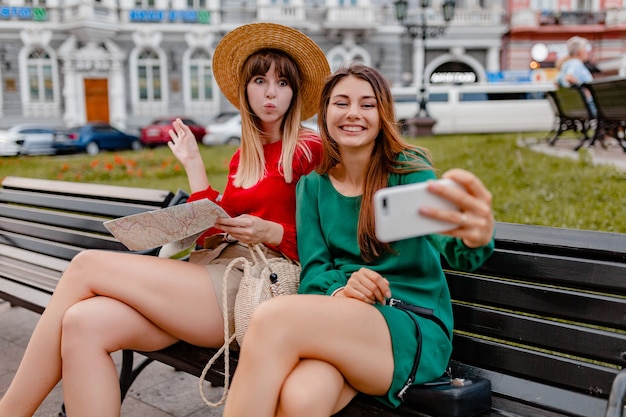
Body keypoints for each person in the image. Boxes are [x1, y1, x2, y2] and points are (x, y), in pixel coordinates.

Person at [0, 22, 329, 417]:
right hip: (212, 274)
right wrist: (192, 167)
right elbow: (213, 226)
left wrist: (274, 231)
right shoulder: (244, 155)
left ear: (294, 92)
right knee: (83, 324)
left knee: (86, 265)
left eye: (282, 82)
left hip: (255, 287)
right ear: (245, 89)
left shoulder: (308, 148)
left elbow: (330, 237)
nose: (271, 92)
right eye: (260, 80)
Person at [221, 64, 495, 417]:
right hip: (345, 321)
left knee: (271, 319)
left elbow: (453, 246)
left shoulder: (407, 171)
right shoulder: (314, 185)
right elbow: (315, 271)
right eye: (341, 103)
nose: (353, 113)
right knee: (301, 397)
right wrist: (343, 290)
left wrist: (475, 236)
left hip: (409, 324)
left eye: (367, 104)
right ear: (325, 112)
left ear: (383, 114)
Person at [556, 36, 597, 116]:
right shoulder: (576, 64)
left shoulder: (565, 65)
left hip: (575, 107)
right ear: (579, 51)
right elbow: (569, 77)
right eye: (585, 48)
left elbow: (556, 82)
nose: (587, 51)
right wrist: (586, 91)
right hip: (587, 107)